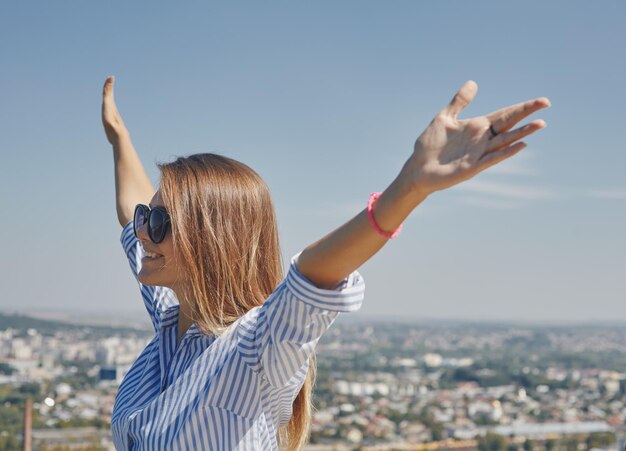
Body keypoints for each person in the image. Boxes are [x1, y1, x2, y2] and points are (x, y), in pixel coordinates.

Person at [101, 75, 550, 450]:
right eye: (148, 218)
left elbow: (312, 276)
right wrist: (120, 138)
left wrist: (410, 187)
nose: (143, 232)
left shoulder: (256, 348)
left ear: (210, 240)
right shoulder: (171, 316)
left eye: (158, 223)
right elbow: (131, 206)